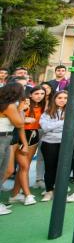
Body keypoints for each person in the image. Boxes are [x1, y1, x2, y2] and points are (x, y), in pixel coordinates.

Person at [8, 86, 45, 206]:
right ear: (30, 94)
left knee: (25, 167)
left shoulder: (42, 106)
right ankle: (27, 194)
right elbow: (19, 124)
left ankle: (14, 194)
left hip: (34, 136)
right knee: (23, 167)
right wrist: (23, 143)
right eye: (37, 93)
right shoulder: (23, 106)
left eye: (42, 94)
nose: (39, 96)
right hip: (21, 137)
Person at [0, 83, 29, 215]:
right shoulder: (10, 106)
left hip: (5, 139)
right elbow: (19, 123)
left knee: (5, 170)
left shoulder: (4, 104)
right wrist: (21, 109)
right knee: (2, 170)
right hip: (2, 139)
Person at [39, 90, 69, 202]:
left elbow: (73, 127)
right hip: (49, 143)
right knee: (50, 168)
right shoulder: (47, 113)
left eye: (65, 98)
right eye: (60, 97)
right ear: (54, 99)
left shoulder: (71, 112)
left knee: (62, 168)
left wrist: (54, 126)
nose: (62, 100)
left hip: (65, 143)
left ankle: (61, 191)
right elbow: (45, 128)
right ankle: (49, 191)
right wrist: (62, 123)